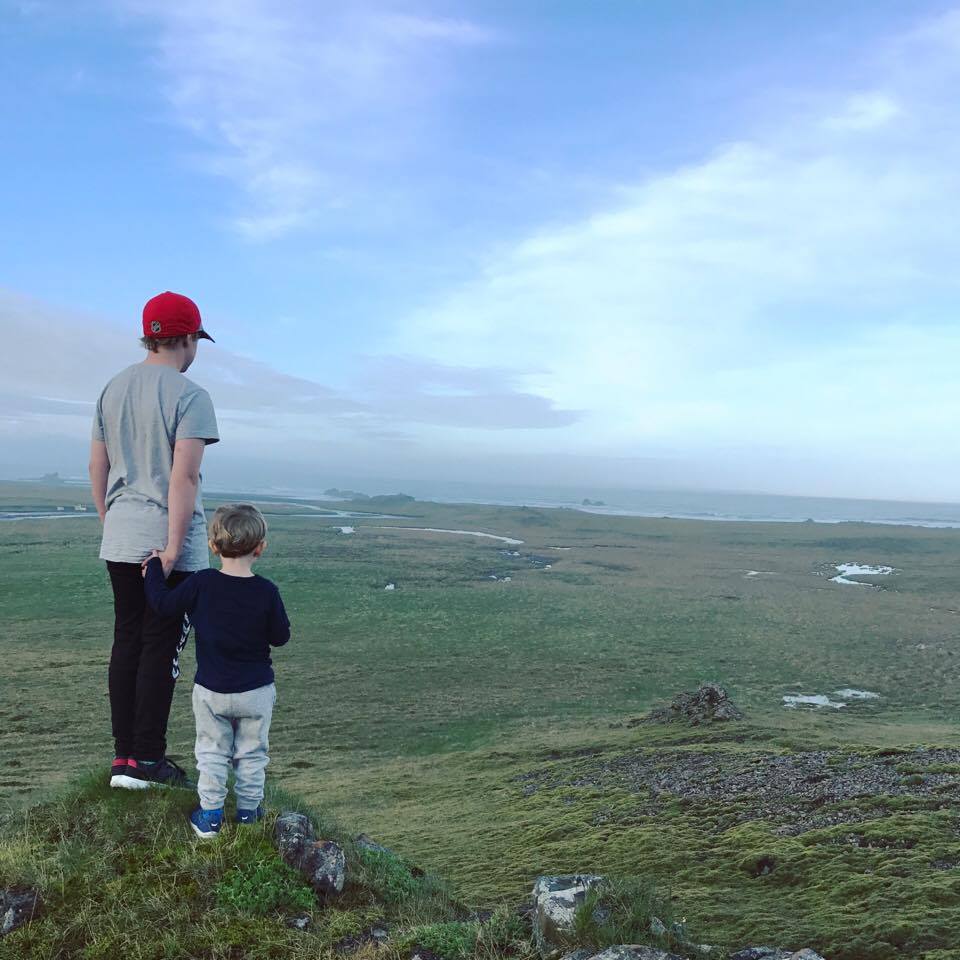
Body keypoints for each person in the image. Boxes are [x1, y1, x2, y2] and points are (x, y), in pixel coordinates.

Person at [89, 291, 218, 789]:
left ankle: (124, 758)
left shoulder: (112, 388)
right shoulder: (191, 396)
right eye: (197, 341)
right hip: (167, 544)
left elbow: (97, 465)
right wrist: (171, 549)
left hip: (122, 536)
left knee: (127, 640)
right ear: (187, 338)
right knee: (160, 647)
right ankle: (147, 760)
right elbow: (184, 477)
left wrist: (112, 520)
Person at [142, 503, 290, 839]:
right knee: (252, 753)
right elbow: (280, 637)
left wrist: (154, 568)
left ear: (213, 546)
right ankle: (249, 814)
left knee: (212, 751)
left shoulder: (202, 583)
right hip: (256, 691)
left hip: (211, 690)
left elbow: (163, 604)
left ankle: (210, 816)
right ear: (260, 548)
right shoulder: (267, 591)